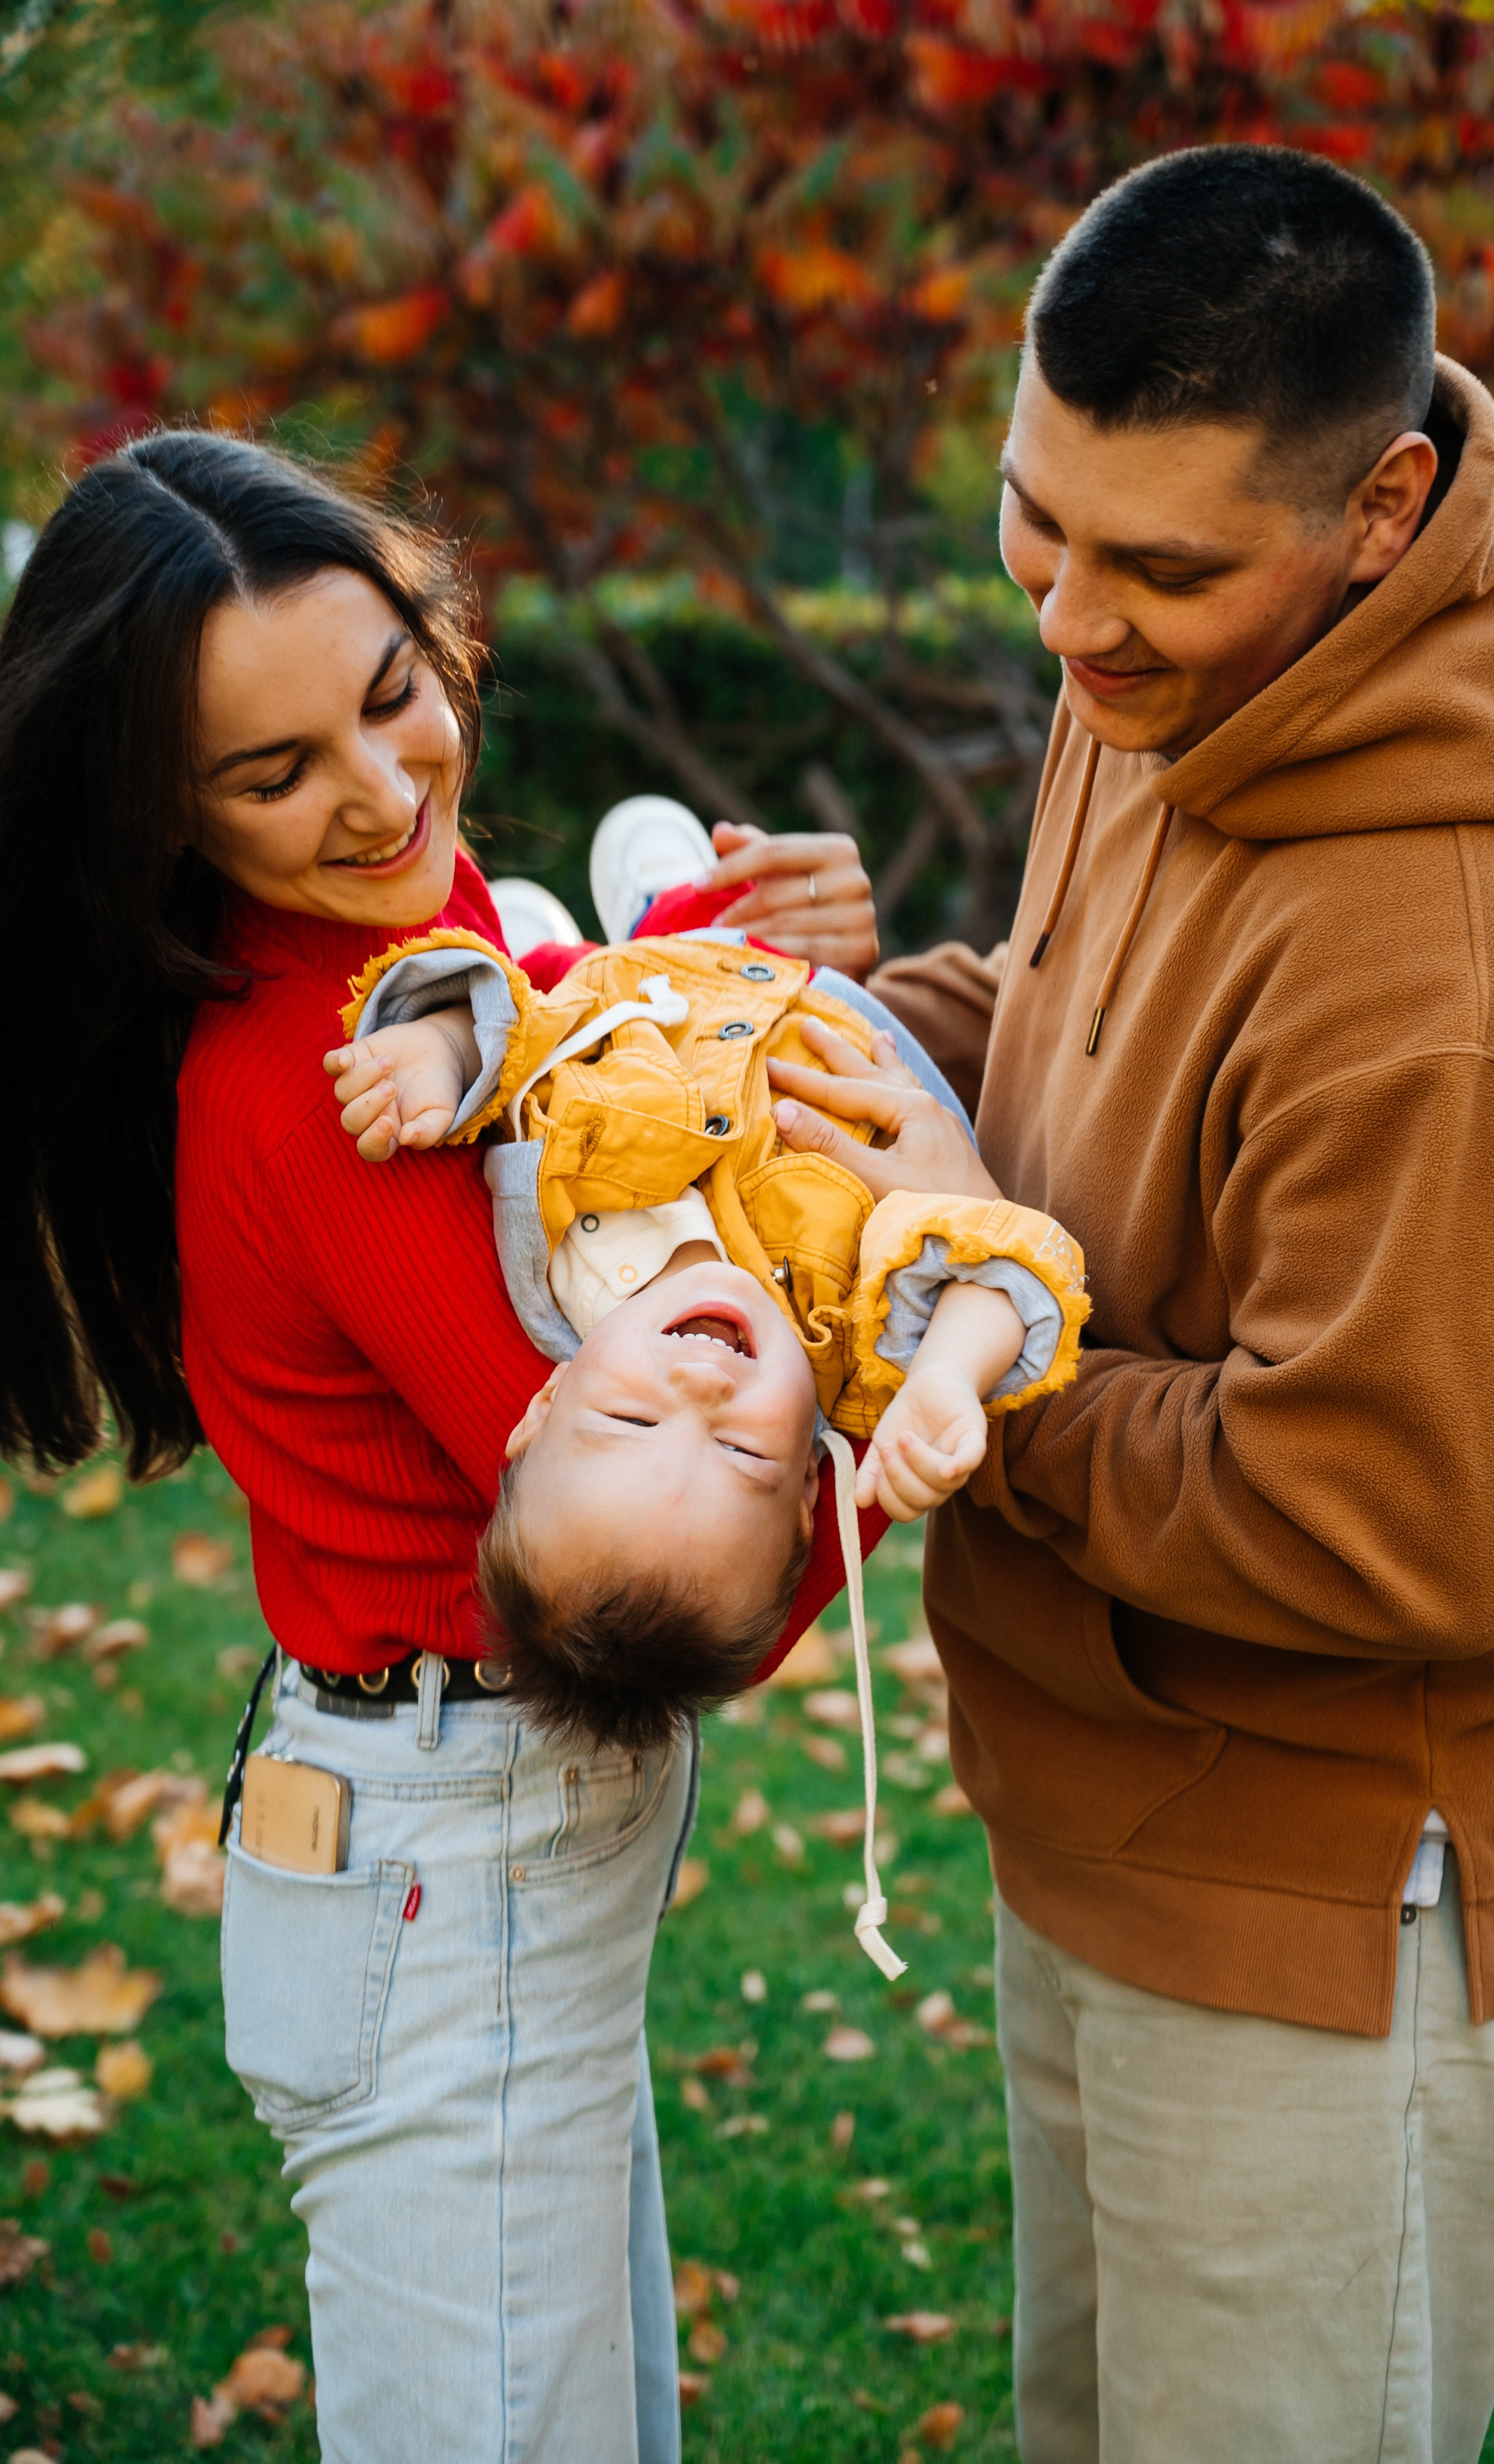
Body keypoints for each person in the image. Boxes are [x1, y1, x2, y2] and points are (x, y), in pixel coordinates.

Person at [853, 145, 1494, 2464]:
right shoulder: (1203, 642)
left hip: (1322, 1908)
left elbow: (1389, 1526)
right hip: (1104, 1787)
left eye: (1155, 568)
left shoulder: (1477, 972)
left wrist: (960, 1336)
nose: (1069, 625)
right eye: (1038, 522)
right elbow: (1079, 1015)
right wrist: (857, 1044)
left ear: (1387, 510)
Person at [0, 428, 880, 2463]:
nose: (384, 794)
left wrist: (751, 965)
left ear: (434, 624)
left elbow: (583, 1043)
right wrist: (912, 1408)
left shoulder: (403, 960)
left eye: (393, 694)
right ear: (164, 816)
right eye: (272, 772)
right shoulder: (332, 1081)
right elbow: (665, 1511)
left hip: (467, 1829)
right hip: (446, 1856)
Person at [318, 911, 1085, 1760]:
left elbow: (527, 1033)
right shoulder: (852, 1335)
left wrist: (448, 1053)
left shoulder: (540, 1228)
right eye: (744, 1455)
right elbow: (1008, 1268)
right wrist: (946, 1372)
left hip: (656, 974)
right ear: (804, 1493)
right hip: (813, 1002)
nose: (702, 1390)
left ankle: (643, 899)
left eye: (631, 1423)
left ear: (545, 1403)